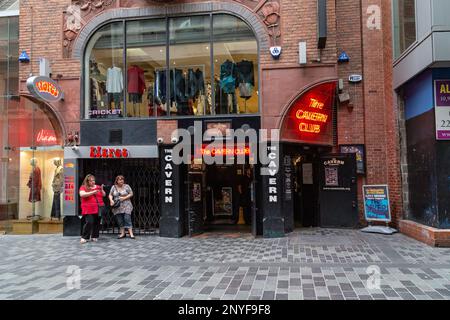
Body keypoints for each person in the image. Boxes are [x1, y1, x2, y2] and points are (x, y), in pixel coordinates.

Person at [79, 174, 105, 244]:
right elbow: (82, 194)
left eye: (93, 180)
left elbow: (103, 195)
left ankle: (94, 236)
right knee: (89, 222)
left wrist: (102, 190)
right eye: (91, 181)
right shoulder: (83, 187)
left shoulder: (98, 187)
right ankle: (84, 237)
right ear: (87, 181)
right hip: (88, 208)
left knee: (97, 222)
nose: (93, 182)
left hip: (98, 207)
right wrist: (93, 192)